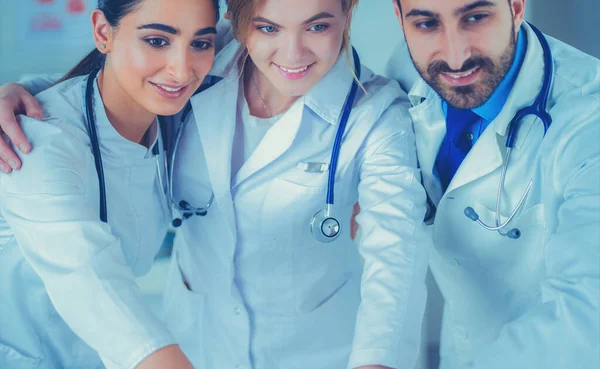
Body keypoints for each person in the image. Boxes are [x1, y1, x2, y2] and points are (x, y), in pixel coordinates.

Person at [0, 0, 433, 368]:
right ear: (240, 22)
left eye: (318, 25)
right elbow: (91, 281)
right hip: (174, 343)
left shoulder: (376, 114)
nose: (293, 51)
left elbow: (397, 255)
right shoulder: (40, 140)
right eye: (267, 27)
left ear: (349, 11)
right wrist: (24, 92)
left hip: (314, 351)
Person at [352, 0, 600, 368]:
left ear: (516, 7)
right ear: (400, 18)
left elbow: (587, 311)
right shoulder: (408, 70)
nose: (455, 56)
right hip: (462, 348)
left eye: (476, 17)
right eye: (425, 23)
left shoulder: (588, 117)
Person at [0, 0, 219, 368]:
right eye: (156, 41)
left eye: (200, 43)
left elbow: (274, 36)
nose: (181, 70)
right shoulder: (35, 146)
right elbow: (92, 285)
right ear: (103, 32)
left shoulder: (164, 122)